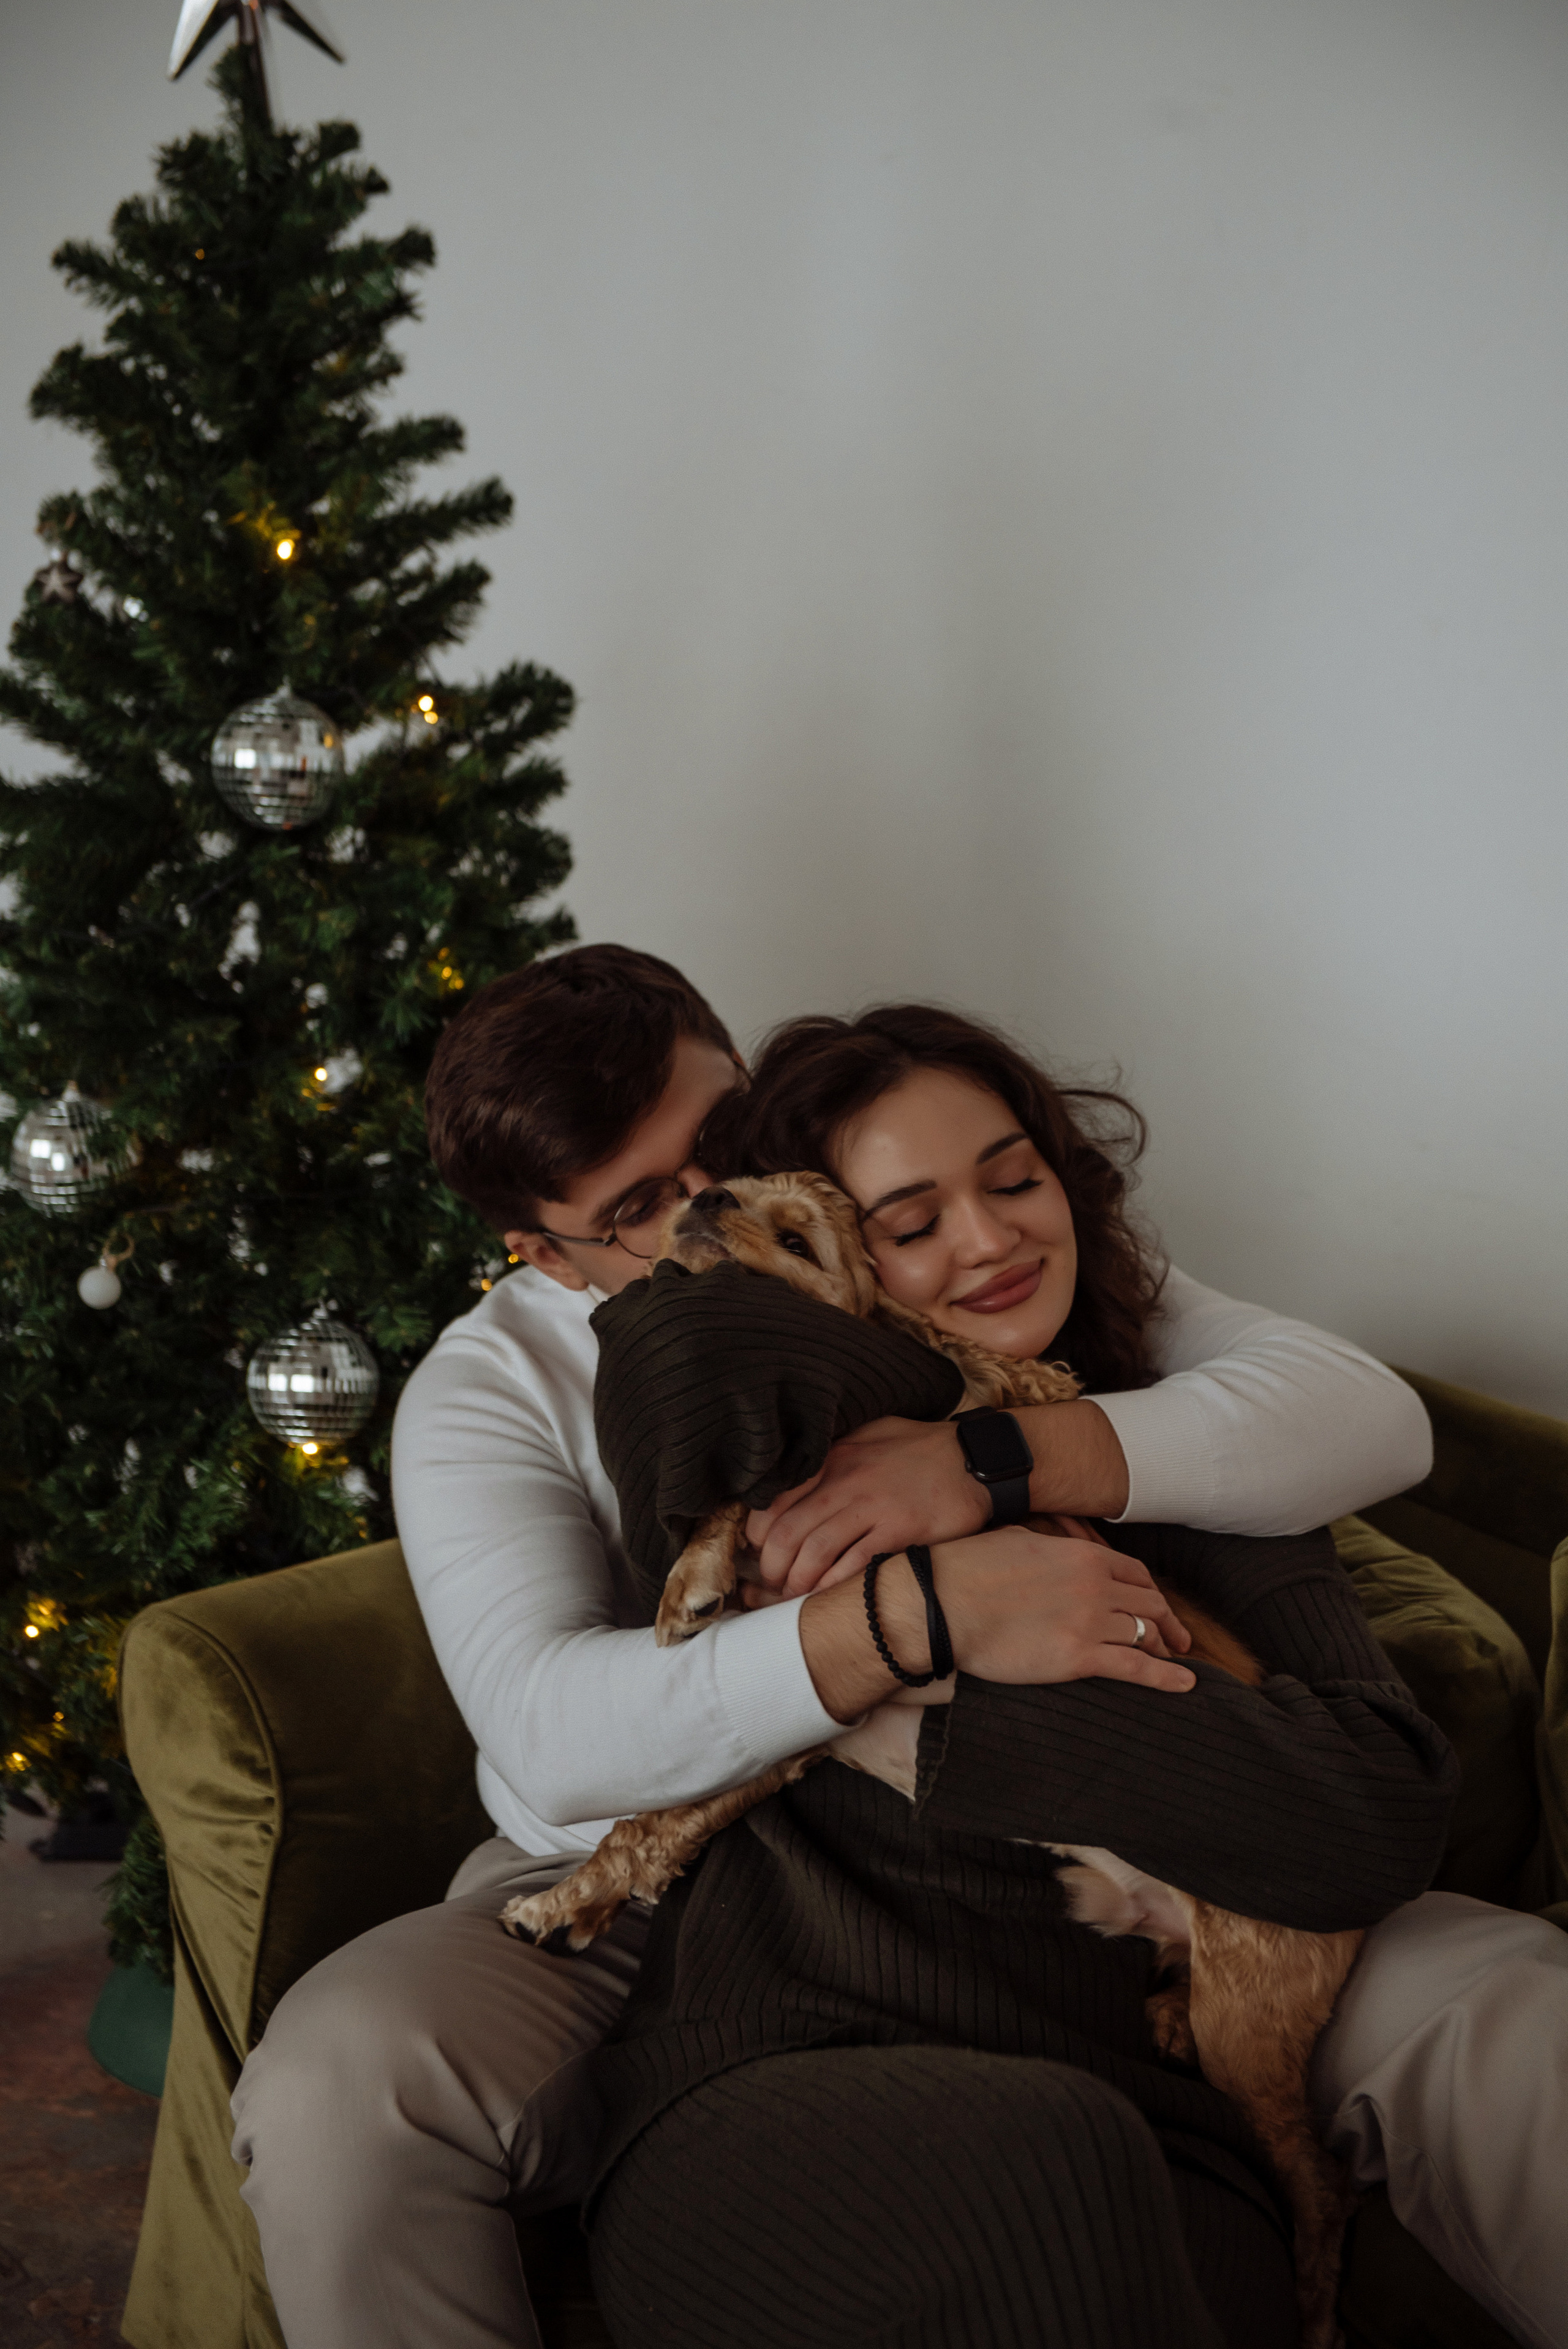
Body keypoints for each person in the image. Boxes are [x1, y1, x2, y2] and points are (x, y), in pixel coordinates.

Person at [229, 948, 1567, 2349]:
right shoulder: (489, 1390)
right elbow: (556, 1740)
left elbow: (1358, 1418)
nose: (713, 1207)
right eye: (639, 1208)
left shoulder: (925, 1243)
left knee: (1500, 2008)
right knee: (340, 2080)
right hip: (633, 1876)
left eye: (718, 1144)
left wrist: (984, 1463)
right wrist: (909, 1626)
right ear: (546, 1253)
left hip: (1093, 1841)